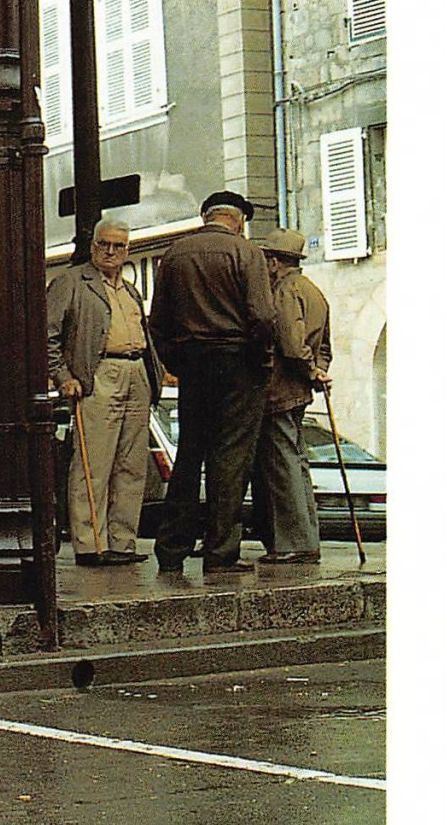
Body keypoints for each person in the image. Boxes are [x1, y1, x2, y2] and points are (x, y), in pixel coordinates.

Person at [148, 190, 276, 575]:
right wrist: (261, 358)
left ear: (206, 216)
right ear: (238, 220)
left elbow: (157, 323)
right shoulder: (246, 253)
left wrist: (178, 359)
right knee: (230, 459)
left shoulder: (174, 255)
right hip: (238, 362)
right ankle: (221, 551)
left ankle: (172, 548)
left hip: (193, 363)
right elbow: (263, 316)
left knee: (189, 455)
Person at [46, 218, 161, 565]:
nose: (110, 252)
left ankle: (122, 542)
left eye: (118, 246)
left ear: (128, 250)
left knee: (131, 465)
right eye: (103, 244)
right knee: (93, 464)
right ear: (93, 245)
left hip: (136, 371)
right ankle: (91, 544)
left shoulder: (130, 290)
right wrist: (62, 376)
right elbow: (46, 335)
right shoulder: (71, 282)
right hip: (100, 373)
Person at [252, 227, 331, 564]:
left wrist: (310, 368)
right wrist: (318, 370)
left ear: (273, 262)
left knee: (282, 465)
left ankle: (292, 543)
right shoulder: (314, 292)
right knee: (296, 463)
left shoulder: (284, 291)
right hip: (298, 390)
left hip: (281, 389)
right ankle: (305, 539)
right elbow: (324, 344)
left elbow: (291, 344)